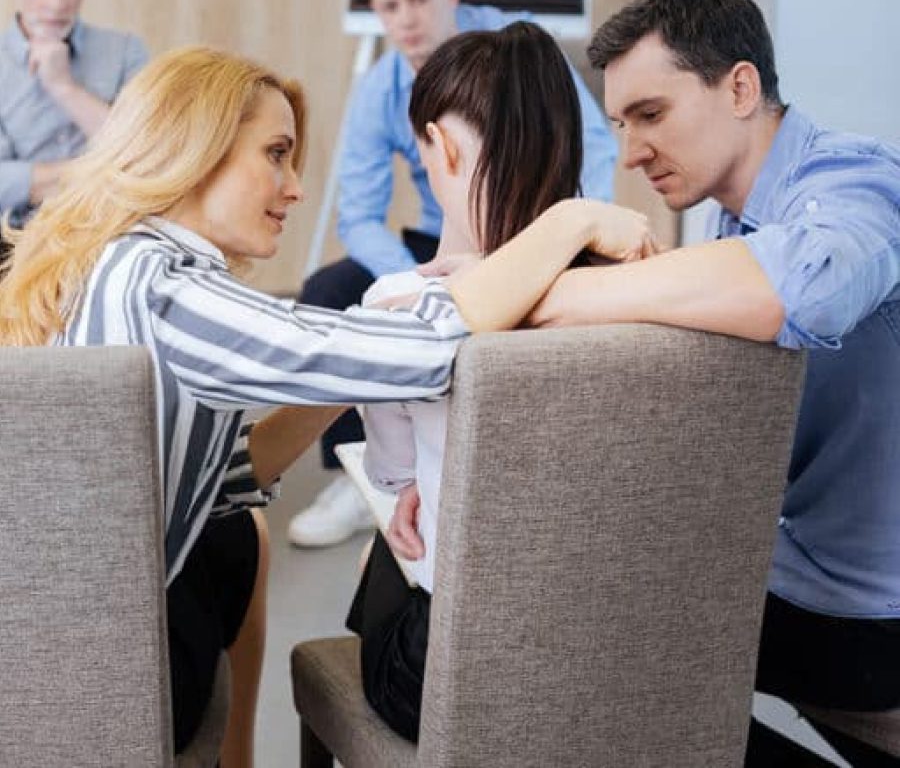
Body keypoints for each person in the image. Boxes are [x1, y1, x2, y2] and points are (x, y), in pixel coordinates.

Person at [0, 46, 654, 763]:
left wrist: (347, 371)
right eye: (276, 155)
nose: (296, 187)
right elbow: (432, 345)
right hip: (86, 664)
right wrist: (573, 223)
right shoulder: (168, 291)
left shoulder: (126, 260)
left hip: (63, 624)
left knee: (239, 532)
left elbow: (217, 477)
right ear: (196, 148)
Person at [512, 0, 900, 766]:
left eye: (651, 115)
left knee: (584, 666)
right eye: (621, 124)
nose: (630, 153)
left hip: (864, 614)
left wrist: (560, 289)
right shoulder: (734, 216)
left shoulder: (856, 183)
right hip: (793, 568)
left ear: (741, 88)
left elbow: (812, 285)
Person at [287, 0, 620, 548]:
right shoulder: (379, 90)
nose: (407, 20)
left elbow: (591, 150)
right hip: (443, 238)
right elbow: (358, 215)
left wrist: (543, 241)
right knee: (327, 290)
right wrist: (420, 279)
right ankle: (351, 474)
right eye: (390, 7)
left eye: (418, 0)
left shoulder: (521, 56)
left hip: (536, 230)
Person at [343, 20, 600, 742]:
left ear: (442, 147)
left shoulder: (402, 304)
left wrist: (425, 476)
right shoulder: (631, 293)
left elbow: (394, 476)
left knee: (389, 544)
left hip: (448, 680)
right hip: (604, 660)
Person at [0, 0, 148, 229]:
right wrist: (103, 172)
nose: (57, 1)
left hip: (110, 233)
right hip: (14, 239)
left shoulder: (125, 52)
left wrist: (63, 87)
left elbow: (148, 156)